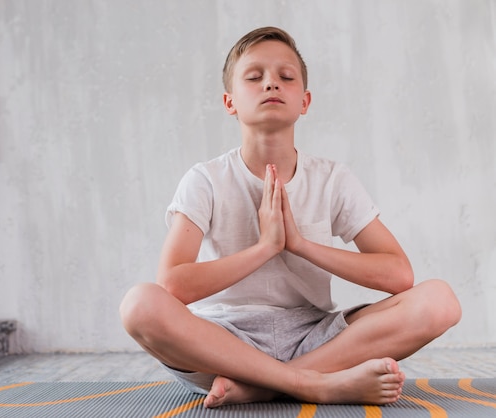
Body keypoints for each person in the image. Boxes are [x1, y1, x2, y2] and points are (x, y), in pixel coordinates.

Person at [119, 26, 461, 408]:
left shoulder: (333, 178)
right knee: (139, 304)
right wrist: (265, 248)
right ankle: (313, 384)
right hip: (221, 344)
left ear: (305, 101)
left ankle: (264, 387)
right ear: (229, 102)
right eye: (254, 77)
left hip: (314, 336)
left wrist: (300, 245)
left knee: (440, 301)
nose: (271, 85)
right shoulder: (206, 179)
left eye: (286, 77)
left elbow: (399, 275)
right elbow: (173, 285)